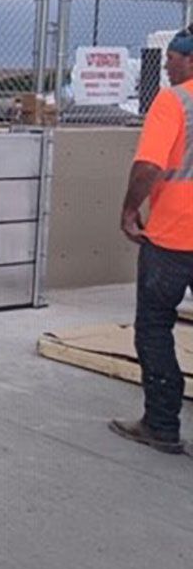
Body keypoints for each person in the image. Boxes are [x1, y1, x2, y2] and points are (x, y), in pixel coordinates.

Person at [114, 25, 193, 454]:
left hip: (173, 238)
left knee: (154, 328)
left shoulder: (174, 101)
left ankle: (161, 425)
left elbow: (149, 166)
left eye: (173, 58)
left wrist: (129, 210)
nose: (166, 65)